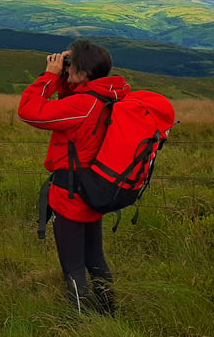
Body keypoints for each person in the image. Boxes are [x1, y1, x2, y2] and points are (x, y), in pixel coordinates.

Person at [18, 39, 130, 316]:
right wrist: (69, 78)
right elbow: (73, 103)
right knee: (95, 259)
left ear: (82, 74)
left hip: (71, 195)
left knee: (73, 265)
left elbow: (29, 111)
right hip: (96, 189)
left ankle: (81, 321)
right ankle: (108, 312)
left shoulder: (83, 105)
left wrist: (50, 77)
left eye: (72, 68)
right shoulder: (109, 96)